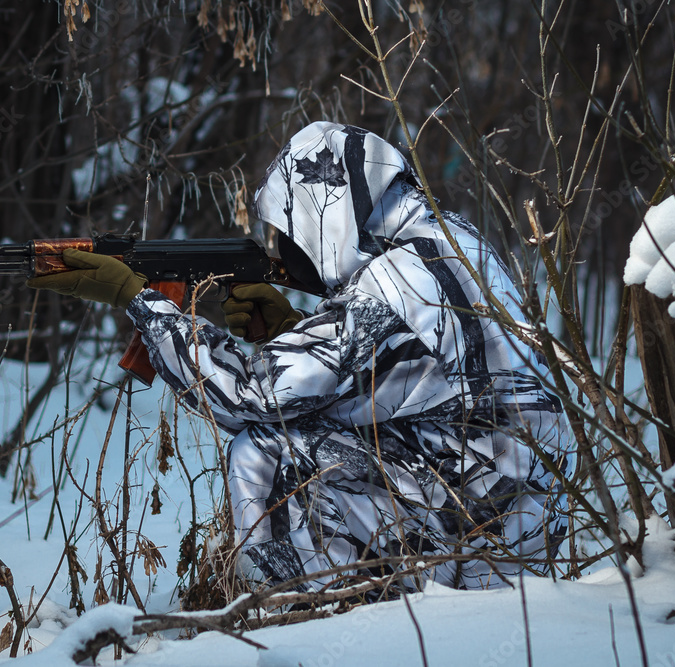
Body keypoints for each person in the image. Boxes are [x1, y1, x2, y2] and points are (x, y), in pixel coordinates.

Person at [28, 122, 570, 593]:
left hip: (481, 547)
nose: (286, 248)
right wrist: (292, 330)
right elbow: (408, 385)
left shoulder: (396, 282)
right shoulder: (455, 243)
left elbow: (251, 397)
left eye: (292, 230)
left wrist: (139, 301)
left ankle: (323, 620)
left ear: (326, 213)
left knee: (263, 451)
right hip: (519, 521)